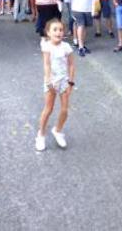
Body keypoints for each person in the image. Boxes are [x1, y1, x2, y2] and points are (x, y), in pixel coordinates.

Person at [36, 19, 76, 151]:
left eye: (60, 29)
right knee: (48, 109)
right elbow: (46, 64)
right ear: (48, 32)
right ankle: (41, 135)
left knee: (65, 110)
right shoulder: (47, 46)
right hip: (51, 82)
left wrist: (70, 82)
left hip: (64, 81)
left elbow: (71, 65)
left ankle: (57, 130)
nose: (58, 32)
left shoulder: (66, 47)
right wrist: (48, 81)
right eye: (55, 29)